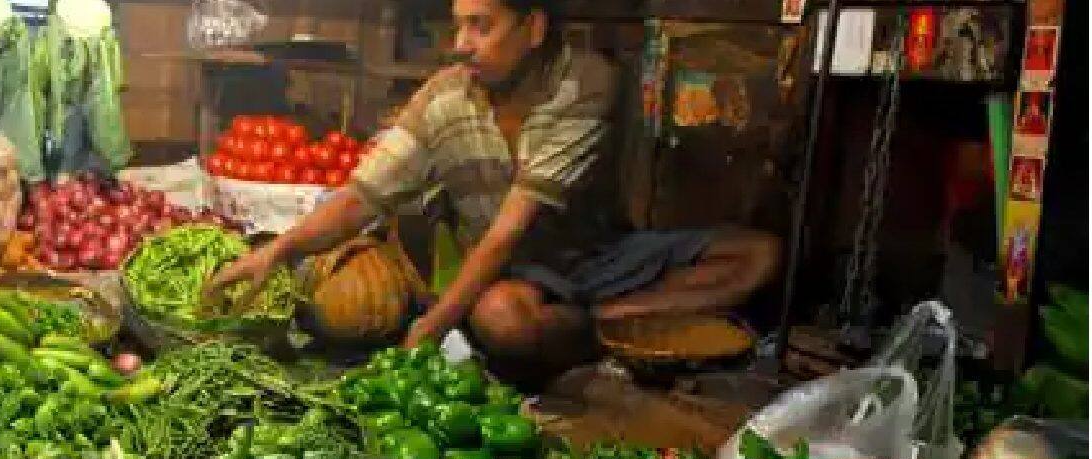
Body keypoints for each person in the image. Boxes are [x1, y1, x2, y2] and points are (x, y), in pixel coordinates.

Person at [209, 0, 780, 383]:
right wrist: (276, 251)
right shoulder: (445, 98)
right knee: (504, 319)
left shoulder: (584, 81)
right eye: (458, 26)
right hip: (518, 275)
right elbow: (362, 197)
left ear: (533, 29)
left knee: (760, 255)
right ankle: (608, 334)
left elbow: (511, 227)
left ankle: (602, 319)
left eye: (481, 26)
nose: (461, 43)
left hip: (598, 257)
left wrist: (431, 327)